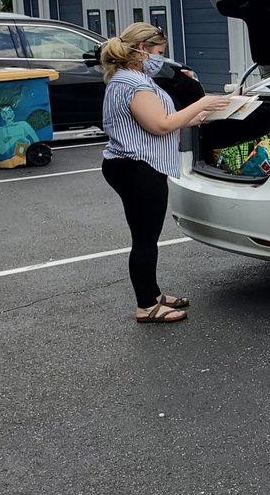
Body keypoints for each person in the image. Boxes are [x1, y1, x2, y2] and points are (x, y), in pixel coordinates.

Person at [99, 22, 230, 323]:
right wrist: (202, 102)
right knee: (145, 239)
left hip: (134, 164)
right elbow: (160, 125)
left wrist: (198, 117)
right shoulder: (133, 84)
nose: (161, 58)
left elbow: (164, 119)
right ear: (142, 50)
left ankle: (153, 293)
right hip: (137, 167)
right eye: (159, 52)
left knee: (147, 237)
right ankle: (146, 306)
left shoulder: (131, 79)